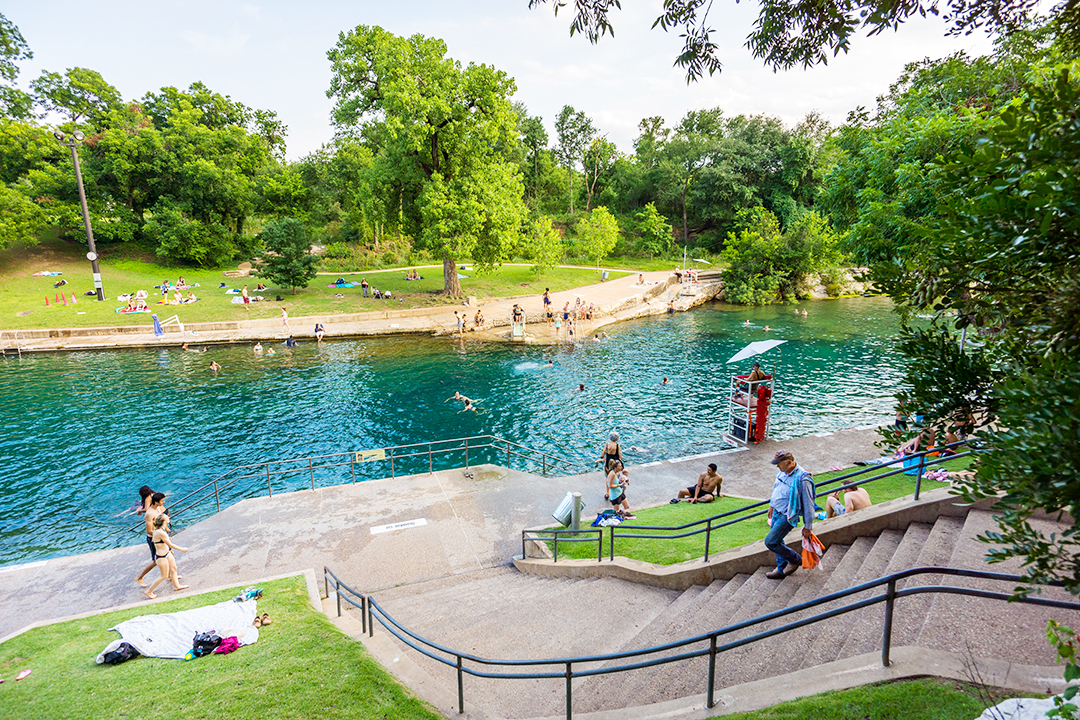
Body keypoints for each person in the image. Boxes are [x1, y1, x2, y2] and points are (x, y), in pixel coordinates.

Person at [765, 450, 815, 579]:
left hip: (787, 515)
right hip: (777, 510)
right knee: (777, 540)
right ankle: (781, 569)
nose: (777, 466)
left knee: (771, 542)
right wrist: (772, 504)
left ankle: (795, 559)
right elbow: (776, 487)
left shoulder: (803, 479)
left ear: (789, 462)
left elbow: (809, 504)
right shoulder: (782, 471)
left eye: (779, 463)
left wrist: (808, 526)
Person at [144, 513, 189, 599]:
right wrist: (182, 549)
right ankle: (149, 591)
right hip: (161, 556)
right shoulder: (160, 532)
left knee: (173, 568)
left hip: (166, 553)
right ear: (164, 522)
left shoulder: (161, 530)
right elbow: (170, 544)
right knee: (163, 576)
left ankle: (177, 586)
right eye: (167, 517)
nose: (168, 517)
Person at [135, 492, 167, 586]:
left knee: (168, 554)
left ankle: (170, 575)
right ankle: (139, 577)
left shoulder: (158, 508)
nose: (164, 502)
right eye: (162, 501)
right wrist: (162, 534)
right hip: (154, 539)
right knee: (156, 561)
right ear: (156, 502)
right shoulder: (149, 514)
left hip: (161, 536)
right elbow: (149, 531)